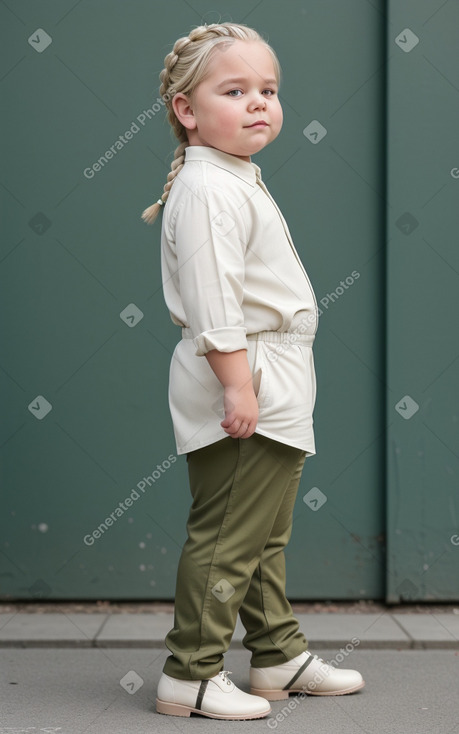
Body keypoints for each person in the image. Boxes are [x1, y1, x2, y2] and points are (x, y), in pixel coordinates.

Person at [141, 22, 364, 721]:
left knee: (261, 533)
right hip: (248, 377)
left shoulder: (234, 177)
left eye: (268, 89)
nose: (258, 103)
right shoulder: (208, 189)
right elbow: (214, 304)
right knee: (227, 536)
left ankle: (275, 652)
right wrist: (238, 387)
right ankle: (192, 671)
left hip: (275, 373)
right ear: (186, 109)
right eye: (234, 90)